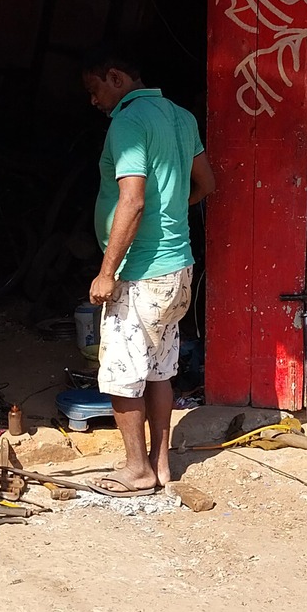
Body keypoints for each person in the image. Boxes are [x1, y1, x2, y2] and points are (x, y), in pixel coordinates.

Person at [82, 45, 215, 491]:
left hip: (140, 272)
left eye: (95, 89)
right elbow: (206, 184)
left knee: (122, 372)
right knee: (159, 369)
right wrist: (172, 212)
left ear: (116, 78)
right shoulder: (181, 116)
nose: (94, 100)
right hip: (178, 268)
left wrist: (107, 272)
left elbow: (133, 200)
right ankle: (160, 464)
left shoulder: (128, 122)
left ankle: (136, 469)